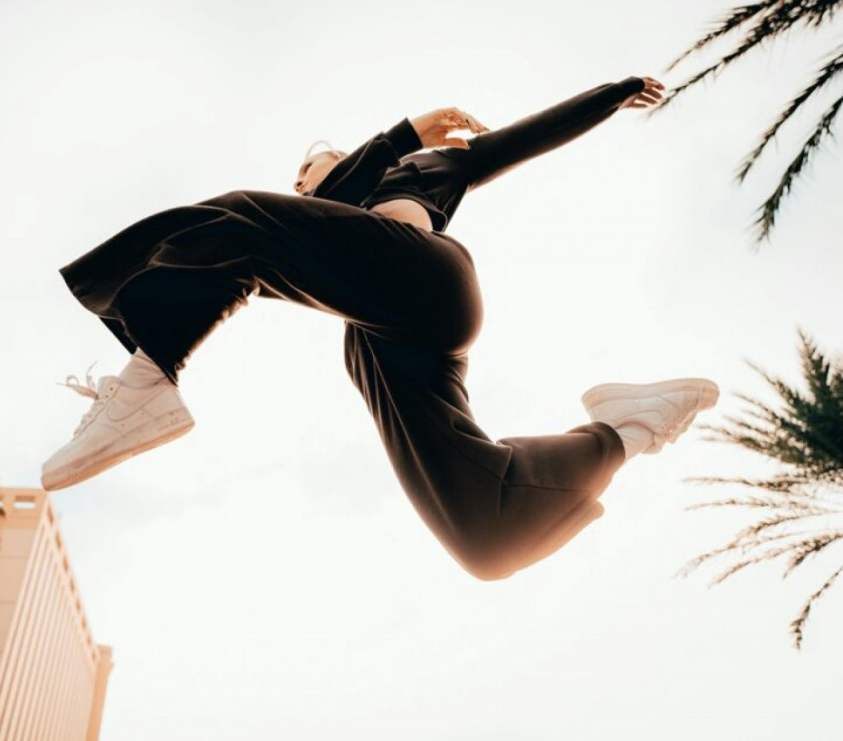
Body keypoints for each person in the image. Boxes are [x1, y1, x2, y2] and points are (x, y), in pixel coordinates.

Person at [41, 75, 718, 581]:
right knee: (485, 538)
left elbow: (522, 139)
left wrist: (609, 96)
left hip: (428, 283)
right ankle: (628, 429)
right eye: (300, 187)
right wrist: (388, 140)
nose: (302, 187)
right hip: (391, 341)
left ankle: (147, 381)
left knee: (235, 216)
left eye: (308, 173)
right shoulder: (319, 230)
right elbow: (305, 218)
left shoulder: (424, 167)